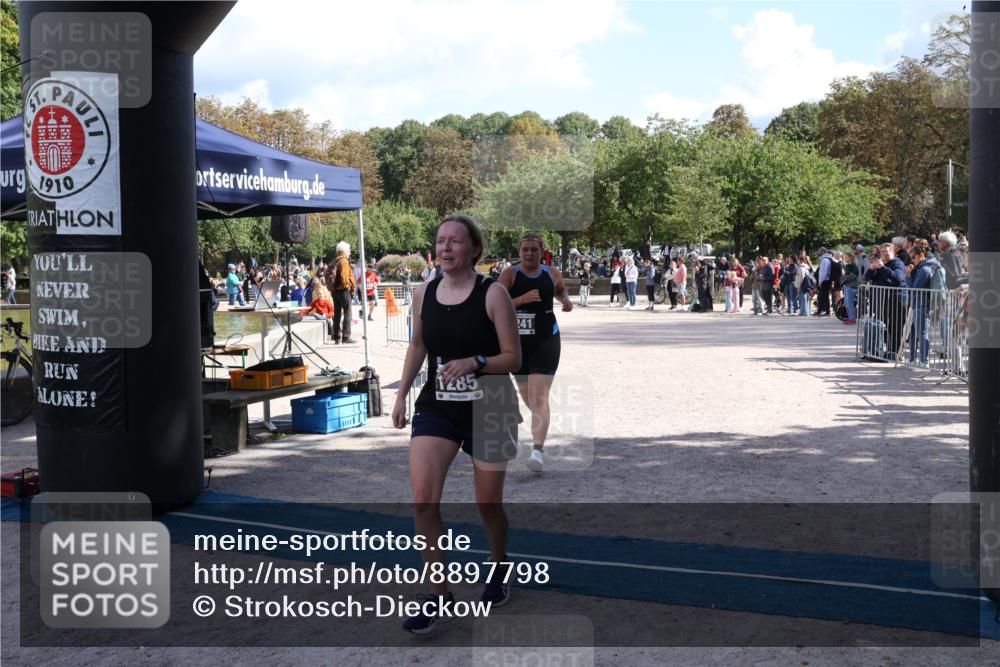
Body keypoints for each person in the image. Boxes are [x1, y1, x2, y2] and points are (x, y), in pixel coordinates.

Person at [391, 214, 521, 633]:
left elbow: (512, 358)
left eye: (455, 241)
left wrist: (476, 361)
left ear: (474, 250)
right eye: (440, 241)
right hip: (438, 407)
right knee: (423, 501)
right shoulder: (422, 293)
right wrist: (400, 395)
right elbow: (417, 345)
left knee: (487, 504)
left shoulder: (494, 293)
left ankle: (500, 567)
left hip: (492, 406)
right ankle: (438, 592)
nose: (446, 248)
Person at [499, 232, 572, 473]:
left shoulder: (551, 273)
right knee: (529, 398)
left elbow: (560, 290)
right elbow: (493, 304)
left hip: (545, 341)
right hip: (517, 345)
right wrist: (521, 299)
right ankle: (543, 423)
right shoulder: (510, 274)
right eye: (525, 250)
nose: (529, 254)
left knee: (539, 397)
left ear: (542, 252)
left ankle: (537, 451)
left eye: (534, 250)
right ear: (519, 252)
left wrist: (565, 300)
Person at [864, 244, 907, 360]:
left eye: (887, 252)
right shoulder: (880, 263)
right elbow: (868, 278)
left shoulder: (897, 263)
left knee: (895, 327)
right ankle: (879, 351)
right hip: (880, 300)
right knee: (880, 325)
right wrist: (871, 269)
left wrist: (882, 268)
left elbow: (897, 279)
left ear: (893, 253)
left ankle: (896, 353)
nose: (884, 254)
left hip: (895, 300)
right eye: (882, 252)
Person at [324, 241, 356, 344]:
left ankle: (336, 337)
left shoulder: (334, 260)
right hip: (343, 290)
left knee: (337, 314)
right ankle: (346, 337)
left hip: (334, 291)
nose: (349, 252)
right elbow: (344, 277)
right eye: (349, 250)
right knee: (347, 313)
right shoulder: (344, 261)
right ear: (344, 251)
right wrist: (350, 289)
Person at [842, 253, 860, 325]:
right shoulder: (847, 266)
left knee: (850, 303)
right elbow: (845, 276)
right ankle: (849, 318)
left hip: (852, 287)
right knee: (846, 303)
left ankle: (852, 319)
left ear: (850, 258)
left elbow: (851, 277)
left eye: (846, 257)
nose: (845, 258)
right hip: (847, 286)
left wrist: (844, 278)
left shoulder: (854, 266)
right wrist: (844, 277)